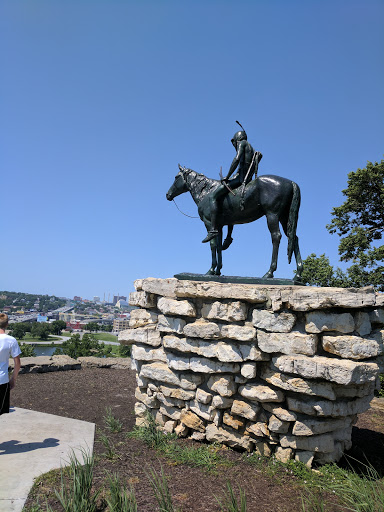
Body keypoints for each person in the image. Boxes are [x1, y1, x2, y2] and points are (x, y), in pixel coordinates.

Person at [202, 128, 263, 243]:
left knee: (213, 196)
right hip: (244, 177)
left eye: (234, 142)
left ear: (237, 139)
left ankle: (214, 230)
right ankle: (229, 236)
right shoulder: (251, 147)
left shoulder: (243, 143)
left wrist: (227, 176)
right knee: (228, 203)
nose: (235, 144)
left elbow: (236, 159)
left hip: (240, 179)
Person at [0, 313, 21, 416]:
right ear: (7, 324)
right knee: (2, 413)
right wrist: (13, 379)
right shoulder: (11, 340)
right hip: (2, 380)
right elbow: (17, 363)